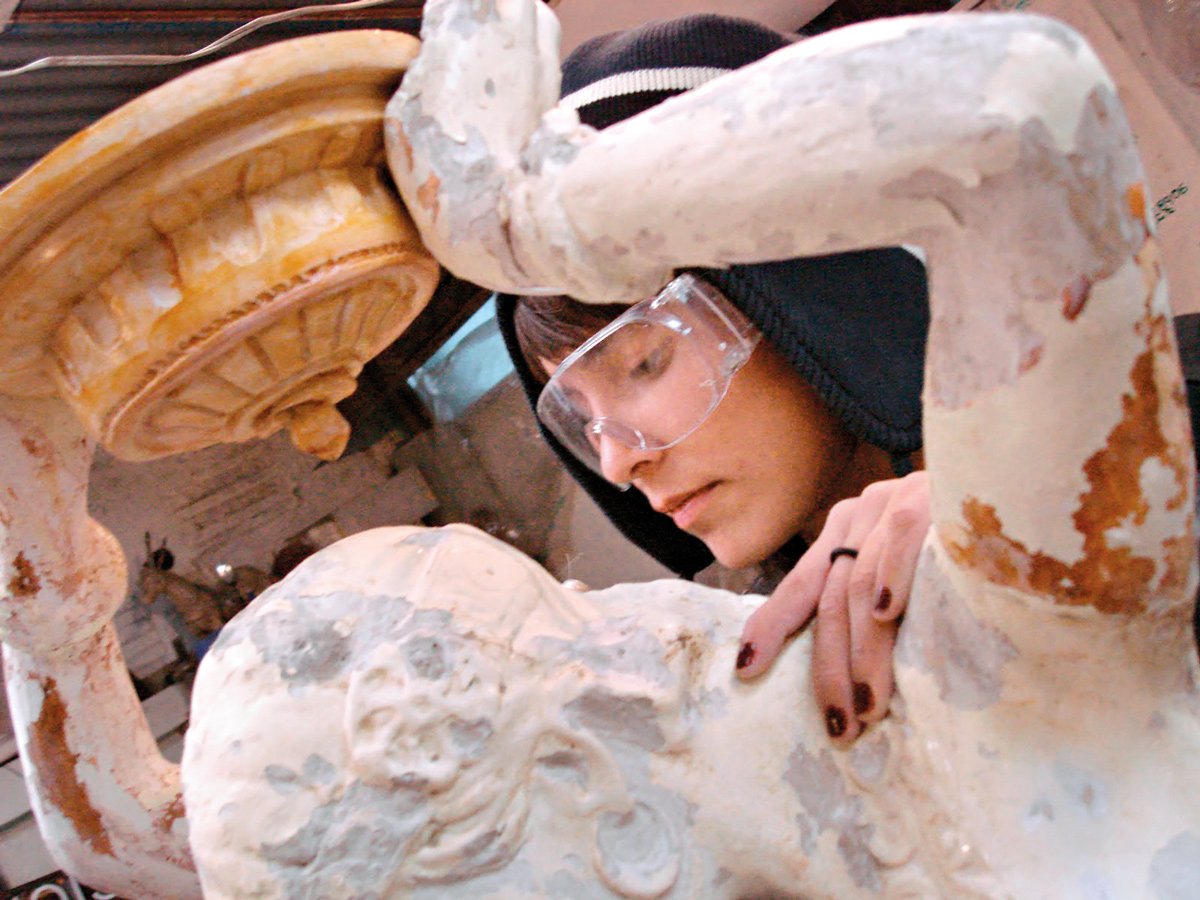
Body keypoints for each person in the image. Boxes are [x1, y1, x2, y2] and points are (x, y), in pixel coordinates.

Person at [497, 13, 934, 746]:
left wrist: (1004, 522)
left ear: (821, 287)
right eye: (582, 417)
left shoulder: (1126, 450)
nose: (617, 462)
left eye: (644, 362)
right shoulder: (760, 680)